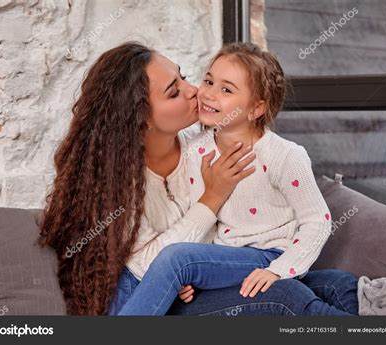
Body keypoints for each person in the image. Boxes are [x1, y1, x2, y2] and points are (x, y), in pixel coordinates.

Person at [38, 42, 358, 316]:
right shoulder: (123, 182)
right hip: (155, 293)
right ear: (141, 119)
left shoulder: (210, 145)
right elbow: (148, 266)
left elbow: (308, 218)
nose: (197, 92)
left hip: (233, 265)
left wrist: (220, 268)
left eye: (185, 77)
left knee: (336, 283)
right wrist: (212, 197)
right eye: (175, 91)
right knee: (287, 297)